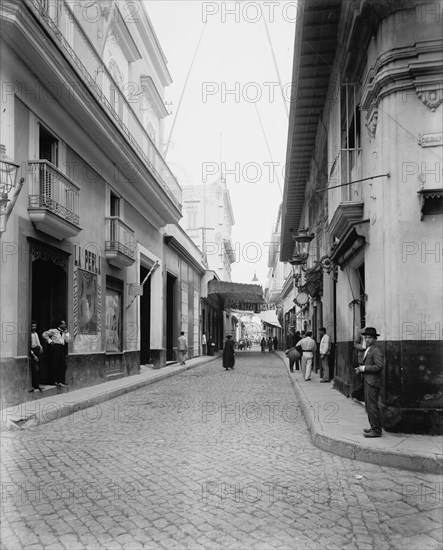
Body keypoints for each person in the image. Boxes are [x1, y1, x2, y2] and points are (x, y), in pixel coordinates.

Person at [354, 327, 384, 438]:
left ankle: (376, 430)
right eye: (366, 337)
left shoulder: (376, 350)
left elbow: (379, 366)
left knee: (372, 406)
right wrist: (361, 369)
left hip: (372, 382)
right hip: (368, 381)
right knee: (369, 406)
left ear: (375, 339)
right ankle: (373, 427)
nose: (367, 340)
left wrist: (364, 369)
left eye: (370, 338)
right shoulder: (369, 348)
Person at [42, 320, 71, 388]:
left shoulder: (64, 332)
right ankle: (54, 381)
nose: (65, 325)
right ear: (60, 325)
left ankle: (60, 381)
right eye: (64, 324)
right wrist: (50, 341)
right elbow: (44, 334)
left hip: (61, 348)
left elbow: (69, 340)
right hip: (55, 347)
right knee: (55, 364)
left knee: (63, 365)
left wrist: (66, 333)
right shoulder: (54, 331)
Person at [29, 321, 43, 392]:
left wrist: (40, 347)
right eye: (32, 326)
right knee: (35, 369)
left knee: (38, 369)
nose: (34, 328)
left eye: (35, 326)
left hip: (37, 351)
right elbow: (29, 347)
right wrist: (34, 355)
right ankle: (33, 385)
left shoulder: (36, 334)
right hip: (32, 352)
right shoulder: (29, 335)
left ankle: (37, 385)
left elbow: (38, 342)